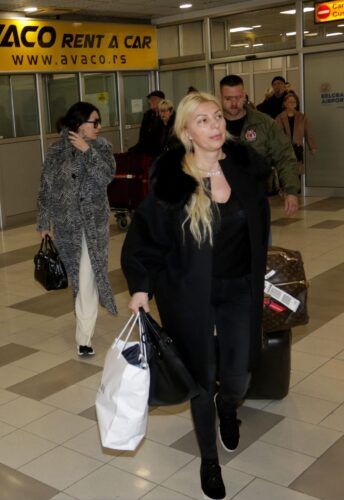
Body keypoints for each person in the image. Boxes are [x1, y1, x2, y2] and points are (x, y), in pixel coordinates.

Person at [121, 91, 271, 500]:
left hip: (239, 287)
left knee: (239, 374)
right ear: (187, 131)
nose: (215, 125)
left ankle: (229, 405)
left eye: (217, 117)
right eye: (203, 120)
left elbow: (259, 227)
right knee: (201, 376)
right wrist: (141, 287)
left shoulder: (242, 169)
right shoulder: (173, 182)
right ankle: (209, 460)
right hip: (188, 292)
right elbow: (146, 239)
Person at [36, 101, 117, 357]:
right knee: (77, 278)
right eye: (94, 122)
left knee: (87, 276)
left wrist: (87, 151)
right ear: (79, 124)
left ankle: (84, 338)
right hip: (67, 225)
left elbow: (107, 177)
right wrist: (44, 222)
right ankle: (84, 327)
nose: (98, 127)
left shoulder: (102, 147)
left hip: (93, 224)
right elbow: (45, 187)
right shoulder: (56, 151)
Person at [219, 74, 300, 216]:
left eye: (238, 97)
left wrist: (291, 191)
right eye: (228, 99)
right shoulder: (211, 125)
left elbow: (285, 156)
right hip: (219, 200)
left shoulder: (264, 123)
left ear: (244, 95)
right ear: (220, 97)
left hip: (255, 199)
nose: (234, 103)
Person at [275, 92, 317, 179]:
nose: (292, 104)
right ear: (285, 103)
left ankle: (296, 186)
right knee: (286, 172)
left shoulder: (301, 117)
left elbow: (308, 133)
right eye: (290, 102)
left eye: (294, 102)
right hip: (284, 149)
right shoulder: (279, 118)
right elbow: (275, 135)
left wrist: (312, 147)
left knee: (297, 173)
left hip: (297, 148)